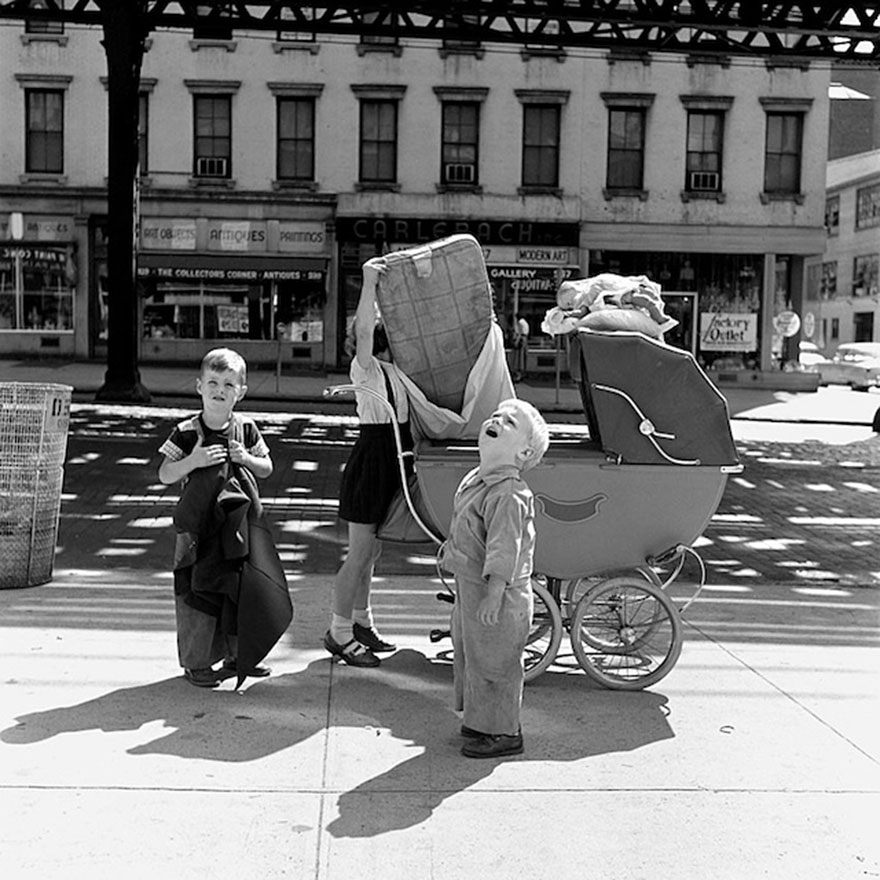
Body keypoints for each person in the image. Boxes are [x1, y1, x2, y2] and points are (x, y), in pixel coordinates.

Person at [158, 347, 276, 688]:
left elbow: (267, 468)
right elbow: (165, 473)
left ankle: (240, 655)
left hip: (237, 527)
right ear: (199, 386)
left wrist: (247, 459)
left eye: (228, 384)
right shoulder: (186, 431)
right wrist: (192, 461)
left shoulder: (247, 429)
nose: (219, 390)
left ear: (240, 392)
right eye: (212, 381)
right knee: (195, 591)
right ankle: (197, 662)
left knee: (240, 589)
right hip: (196, 529)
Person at [439, 397, 549, 758]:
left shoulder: (508, 493)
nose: (498, 420)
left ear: (523, 453)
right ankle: (482, 721)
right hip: (474, 589)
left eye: (510, 423)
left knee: (496, 665)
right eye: (497, 415)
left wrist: (494, 592)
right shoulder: (481, 481)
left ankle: (504, 731)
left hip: (498, 596)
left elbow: (505, 547)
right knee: (474, 657)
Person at [324, 257, 412, 668]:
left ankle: (361, 622)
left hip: (391, 459)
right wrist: (370, 282)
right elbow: (362, 328)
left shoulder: (396, 372)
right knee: (359, 554)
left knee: (371, 553)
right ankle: (339, 631)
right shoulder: (367, 369)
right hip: (373, 461)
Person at [512, 314, 529, 381]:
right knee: (524, 356)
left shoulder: (520, 322)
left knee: (519, 357)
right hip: (526, 338)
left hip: (522, 339)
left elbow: (519, 333)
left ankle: (518, 375)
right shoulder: (525, 322)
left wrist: (516, 341)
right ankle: (523, 373)